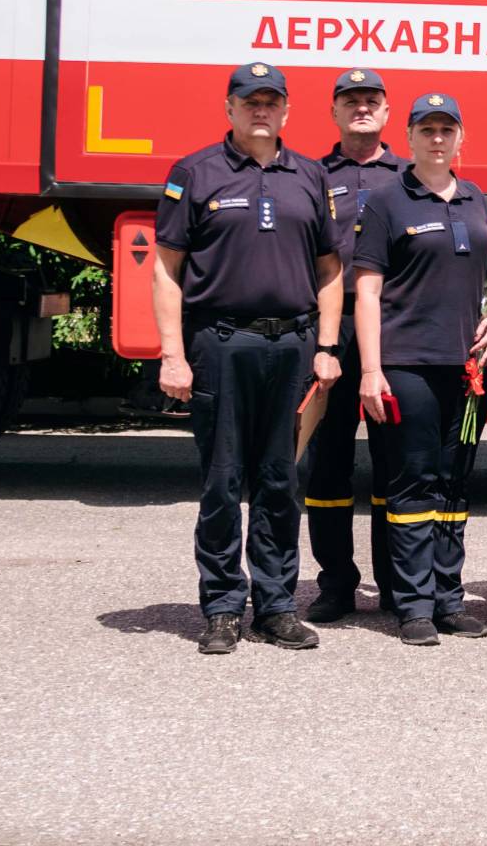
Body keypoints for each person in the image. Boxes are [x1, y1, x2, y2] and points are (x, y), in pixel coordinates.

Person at [153, 61, 343, 655]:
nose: (262, 110)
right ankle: (222, 608)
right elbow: (166, 269)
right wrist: (172, 354)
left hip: (292, 347)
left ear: (286, 110)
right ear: (229, 108)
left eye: (271, 101)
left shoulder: (310, 175)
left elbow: (331, 270)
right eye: (250, 101)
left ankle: (277, 606)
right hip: (221, 344)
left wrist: (327, 347)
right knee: (222, 480)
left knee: (281, 481)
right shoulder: (195, 172)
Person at [351, 92, 487, 647]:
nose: (438, 139)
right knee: (412, 483)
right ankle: (412, 604)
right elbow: (367, 292)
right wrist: (370, 369)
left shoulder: (476, 198)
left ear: (461, 138)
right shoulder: (387, 201)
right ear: (409, 137)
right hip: (407, 365)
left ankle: (448, 599)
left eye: (447, 130)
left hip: (468, 370)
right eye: (427, 130)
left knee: (454, 484)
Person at [304, 68, 405, 624]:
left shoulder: (410, 176)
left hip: (394, 328)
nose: (361, 108)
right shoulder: (312, 175)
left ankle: (395, 584)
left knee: (394, 462)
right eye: (350, 101)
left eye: (371, 100)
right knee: (328, 462)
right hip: (331, 328)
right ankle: (336, 585)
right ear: (334, 112)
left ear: (387, 112)